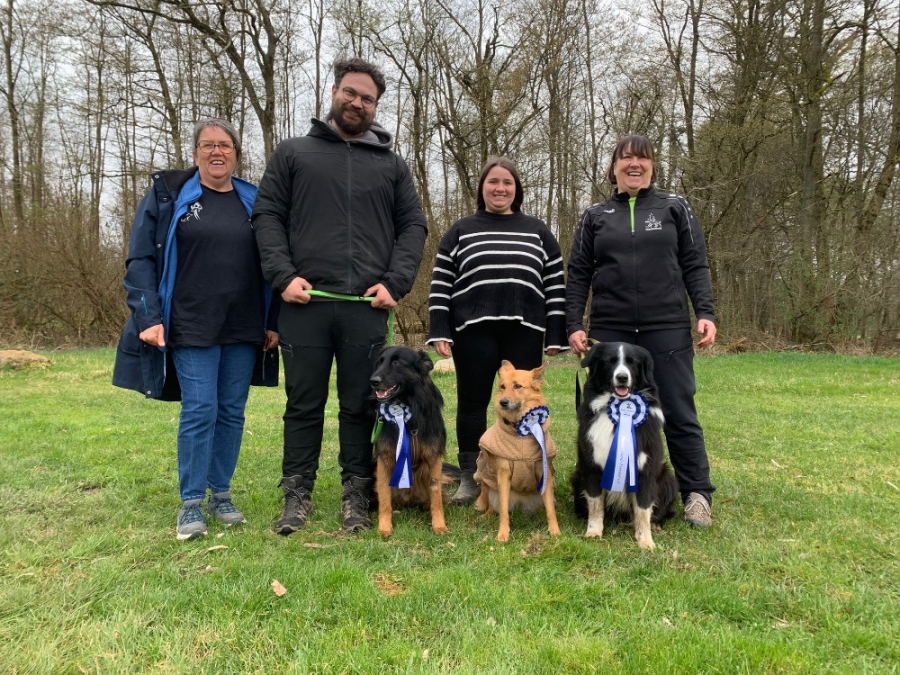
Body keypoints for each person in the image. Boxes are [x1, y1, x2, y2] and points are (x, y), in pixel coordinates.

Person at [252, 57, 428, 535]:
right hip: (303, 305)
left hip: (365, 310)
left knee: (359, 403)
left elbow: (414, 227)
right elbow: (266, 217)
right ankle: (297, 493)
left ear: (376, 106)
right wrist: (282, 275)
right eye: (350, 93)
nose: (357, 103)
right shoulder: (293, 153)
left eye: (367, 98)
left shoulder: (392, 166)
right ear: (333, 92)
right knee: (303, 403)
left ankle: (357, 493)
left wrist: (395, 282)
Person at [113, 118, 280, 540]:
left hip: (244, 325)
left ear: (237, 154)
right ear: (195, 153)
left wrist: (274, 321)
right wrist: (148, 317)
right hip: (190, 322)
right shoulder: (169, 195)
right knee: (200, 409)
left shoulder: (254, 199)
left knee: (230, 411)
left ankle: (220, 493)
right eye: (207, 145)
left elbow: (276, 261)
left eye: (224, 145)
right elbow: (140, 260)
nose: (216, 152)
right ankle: (191, 504)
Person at [565, 134, 717, 527]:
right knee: (601, 414)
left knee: (679, 411)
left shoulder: (674, 207)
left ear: (652, 166)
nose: (635, 164)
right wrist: (573, 324)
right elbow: (578, 273)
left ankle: (697, 493)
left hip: (666, 326)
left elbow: (695, 264)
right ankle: (609, 494)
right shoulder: (594, 215)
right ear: (613, 167)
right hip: (611, 330)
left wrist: (705, 311)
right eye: (626, 158)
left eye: (643, 158)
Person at [426, 156, 568, 505]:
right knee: (472, 404)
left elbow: (555, 285)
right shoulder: (461, 230)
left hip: (525, 329)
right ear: (482, 188)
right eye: (493, 182)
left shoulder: (538, 231)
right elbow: (441, 282)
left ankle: (526, 471)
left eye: (507, 182)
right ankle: (472, 478)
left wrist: (556, 332)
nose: (500, 188)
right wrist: (440, 328)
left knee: (523, 405)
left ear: (516, 189)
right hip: (472, 330)